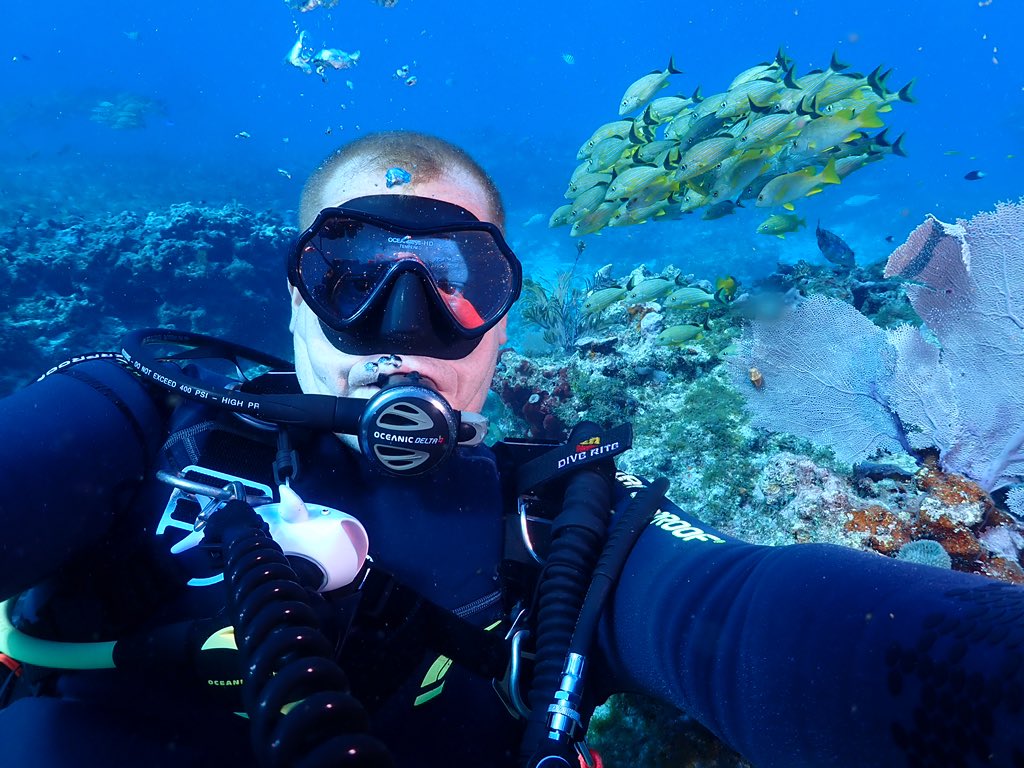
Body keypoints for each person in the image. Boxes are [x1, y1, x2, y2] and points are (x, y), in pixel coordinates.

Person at [1, 130, 1023, 768]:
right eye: (354, 275)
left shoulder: (557, 528)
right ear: (294, 302)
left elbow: (746, 619)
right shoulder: (132, 422)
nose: (402, 325)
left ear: (500, 325)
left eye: (455, 283)